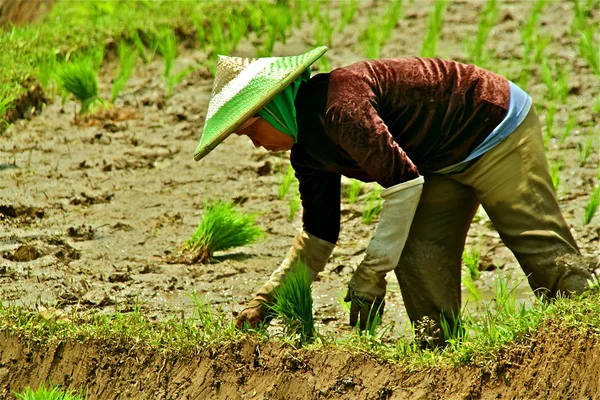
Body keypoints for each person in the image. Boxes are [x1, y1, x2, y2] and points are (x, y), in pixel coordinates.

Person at [194, 47, 593, 347]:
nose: (256, 146)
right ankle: (440, 356)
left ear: (275, 109)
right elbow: (319, 235)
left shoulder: (340, 105)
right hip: (437, 160)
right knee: (420, 256)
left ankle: (585, 339)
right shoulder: (308, 152)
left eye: (251, 132)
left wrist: (370, 272)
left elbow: (402, 185)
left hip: (491, 124)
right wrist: (269, 297)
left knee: (536, 243)